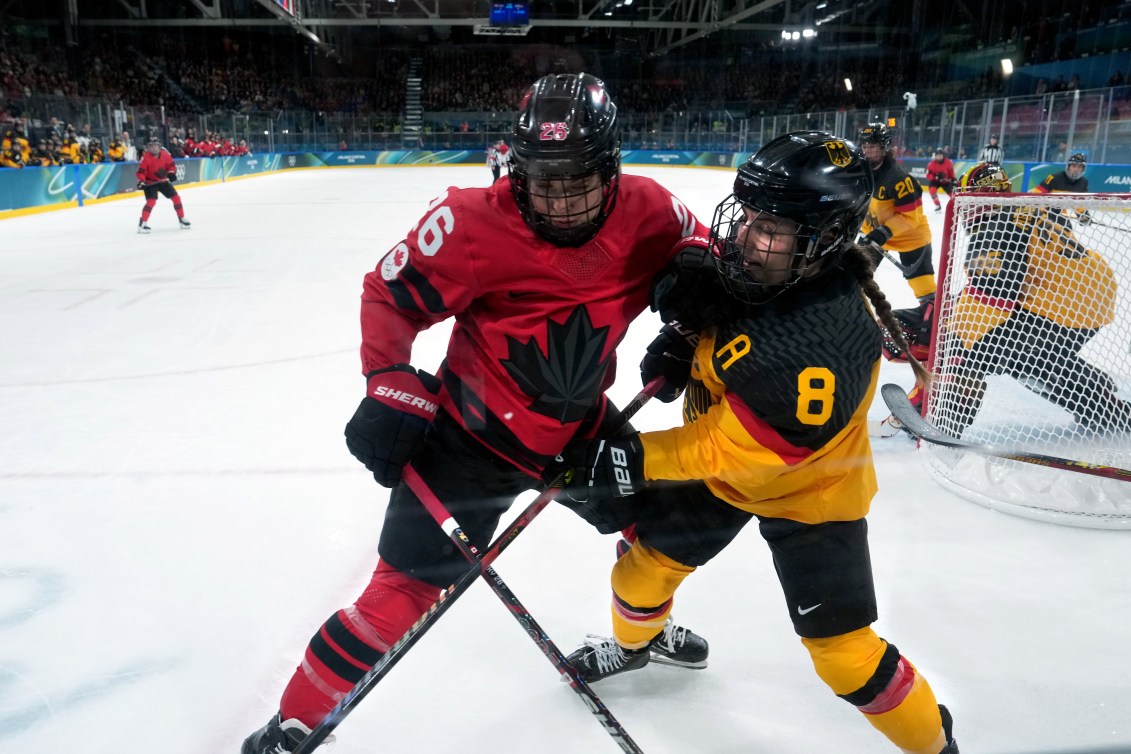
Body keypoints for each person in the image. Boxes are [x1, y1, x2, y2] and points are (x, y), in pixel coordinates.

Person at [241, 72, 712, 754]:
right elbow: (388, 294)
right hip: (467, 441)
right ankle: (292, 727)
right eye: (542, 181)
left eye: (577, 180)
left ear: (612, 167)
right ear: (514, 169)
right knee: (399, 588)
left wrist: (687, 318)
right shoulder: (467, 222)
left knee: (670, 533)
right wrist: (388, 380)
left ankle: (637, 636)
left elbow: (700, 254)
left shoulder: (650, 208)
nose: (560, 200)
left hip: (577, 429)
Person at [556, 131, 956, 754]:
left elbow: (733, 448)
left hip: (810, 494)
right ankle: (639, 646)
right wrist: (691, 340)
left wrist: (635, 457)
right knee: (639, 576)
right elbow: (730, 321)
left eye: (768, 226)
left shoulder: (822, 348)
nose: (745, 235)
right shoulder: (778, 267)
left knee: (844, 657)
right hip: (728, 475)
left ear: (823, 236)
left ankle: (934, 744)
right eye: (748, 217)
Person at [935, 162, 1131, 435]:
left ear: (988, 196)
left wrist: (957, 322)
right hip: (1092, 287)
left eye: (971, 197)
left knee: (992, 355)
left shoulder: (990, 231)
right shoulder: (1029, 204)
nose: (966, 204)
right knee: (1037, 357)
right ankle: (1101, 395)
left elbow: (995, 295)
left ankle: (949, 422)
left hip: (1061, 301)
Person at [857, 123, 936, 374]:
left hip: (911, 239)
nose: (868, 151)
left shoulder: (899, 179)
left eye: (873, 147)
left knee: (925, 293)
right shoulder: (860, 171)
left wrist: (884, 232)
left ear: (884, 148)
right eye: (865, 146)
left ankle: (935, 330)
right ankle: (849, 319)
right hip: (875, 235)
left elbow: (911, 217)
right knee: (851, 276)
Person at [135, 137, 190, 233]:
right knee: (151, 201)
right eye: (151, 146)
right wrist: (142, 181)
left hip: (163, 181)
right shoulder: (146, 158)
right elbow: (141, 172)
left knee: (176, 198)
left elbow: (172, 166)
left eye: (155, 146)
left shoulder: (166, 155)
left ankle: (181, 219)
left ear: (159, 147)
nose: (153, 148)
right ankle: (142, 224)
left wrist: (172, 172)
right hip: (150, 182)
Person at [924, 148, 956, 213]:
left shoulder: (948, 162)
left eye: (940, 155)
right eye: (937, 155)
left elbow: (951, 172)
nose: (939, 157)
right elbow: (927, 175)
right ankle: (937, 205)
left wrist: (953, 178)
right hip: (935, 181)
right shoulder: (931, 164)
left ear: (943, 155)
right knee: (932, 191)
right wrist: (935, 177)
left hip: (945, 182)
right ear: (935, 156)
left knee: (952, 195)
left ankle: (957, 206)